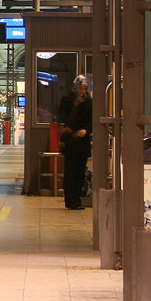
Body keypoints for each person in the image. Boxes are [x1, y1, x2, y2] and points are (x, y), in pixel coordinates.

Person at [57, 74, 92, 210]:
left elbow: (91, 121)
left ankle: (77, 200)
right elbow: (63, 118)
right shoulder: (67, 100)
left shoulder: (89, 102)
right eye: (81, 88)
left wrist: (86, 130)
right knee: (70, 172)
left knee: (79, 173)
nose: (83, 91)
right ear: (76, 87)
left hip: (82, 142)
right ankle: (70, 200)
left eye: (85, 88)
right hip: (70, 140)